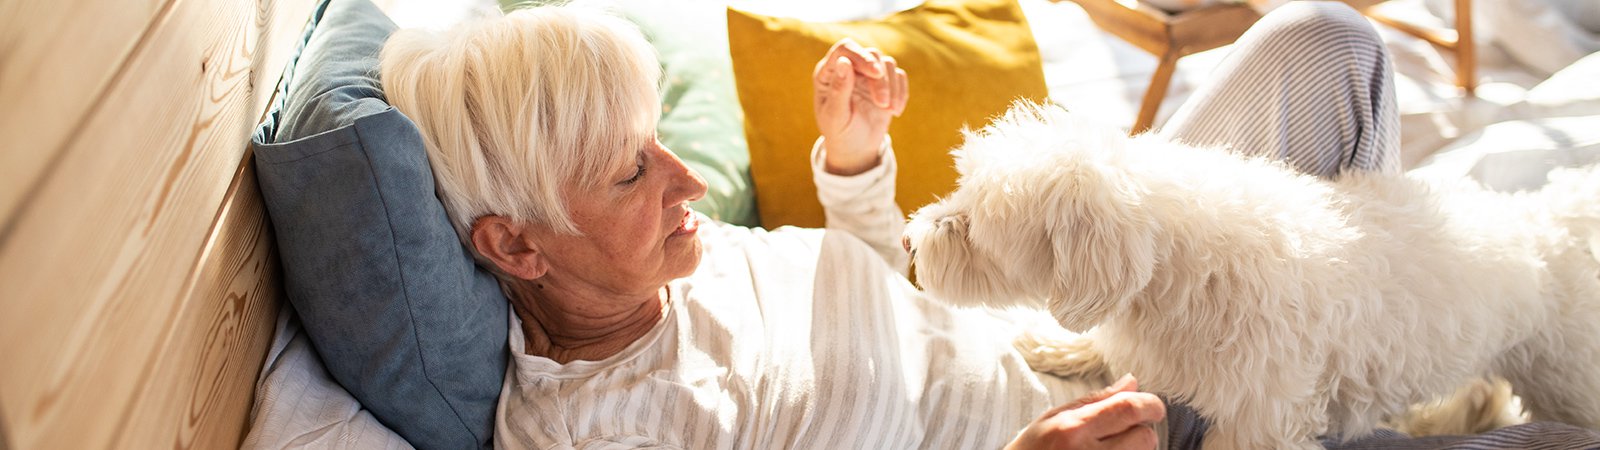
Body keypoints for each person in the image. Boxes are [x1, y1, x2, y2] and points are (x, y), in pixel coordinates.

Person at [378, 2, 1600, 449]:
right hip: (1129, 415)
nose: (691, 180)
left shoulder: (675, 255)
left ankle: (1366, 313)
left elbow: (859, 276)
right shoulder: (601, 429)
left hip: (1090, 302)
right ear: (514, 246)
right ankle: (1362, 380)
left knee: (1324, 46)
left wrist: (852, 164)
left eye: (660, 140)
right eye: (630, 172)